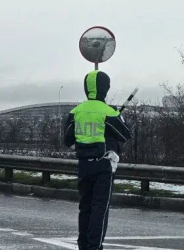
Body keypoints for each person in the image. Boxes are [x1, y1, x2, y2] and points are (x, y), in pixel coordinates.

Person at [63, 69, 132, 250]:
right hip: (103, 166)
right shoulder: (108, 112)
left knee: (84, 208)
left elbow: (67, 140)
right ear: (105, 89)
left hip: (83, 166)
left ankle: (83, 246)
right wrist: (118, 115)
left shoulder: (76, 111)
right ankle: (95, 246)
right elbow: (125, 135)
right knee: (99, 209)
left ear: (86, 88)